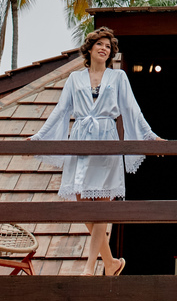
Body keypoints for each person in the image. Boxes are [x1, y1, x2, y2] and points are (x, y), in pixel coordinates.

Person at [30, 27, 162, 276]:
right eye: (100, 44)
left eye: (108, 47)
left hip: (106, 142)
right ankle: (111, 263)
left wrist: (149, 135)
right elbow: (61, 110)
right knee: (82, 206)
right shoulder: (74, 79)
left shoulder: (118, 78)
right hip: (80, 140)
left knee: (102, 207)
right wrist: (38, 137)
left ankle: (90, 267)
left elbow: (131, 109)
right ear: (89, 48)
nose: (104, 49)